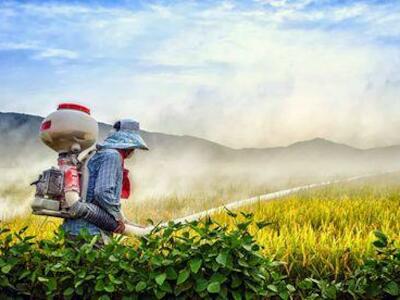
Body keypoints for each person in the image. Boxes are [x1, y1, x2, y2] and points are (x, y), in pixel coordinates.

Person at [62, 119, 149, 246]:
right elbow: (103, 192)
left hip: (72, 229)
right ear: (128, 146)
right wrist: (118, 218)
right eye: (134, 147)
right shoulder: (112, 156)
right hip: (92, 233)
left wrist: (124, 220)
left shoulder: (96, 154)